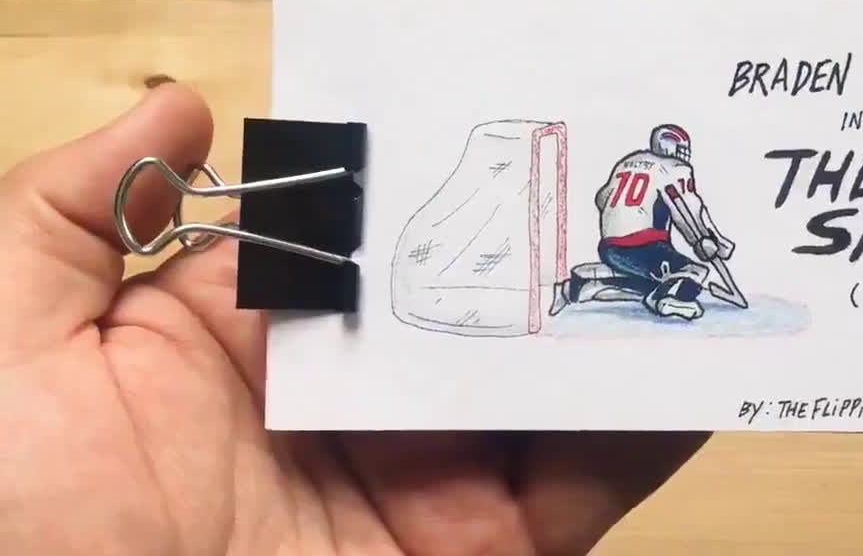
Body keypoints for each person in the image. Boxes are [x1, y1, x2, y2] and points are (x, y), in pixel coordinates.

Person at [0, 83, 707, 555]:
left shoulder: (622, 166)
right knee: (675, 265)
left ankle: (600, 280)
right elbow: (687, 214)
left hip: (589, 253)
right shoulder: (671, 172)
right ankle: (657, 288)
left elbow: (601, 203)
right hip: (617, 255)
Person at [549, 124, 735, 321]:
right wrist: (705, 240)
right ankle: (664, 299)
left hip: (610, 247)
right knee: (696, 271)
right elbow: (689, 209)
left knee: (652, 281)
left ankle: (577, 287)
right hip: (644, 246)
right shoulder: (676, 168)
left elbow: (602, 198)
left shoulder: (627, 163)